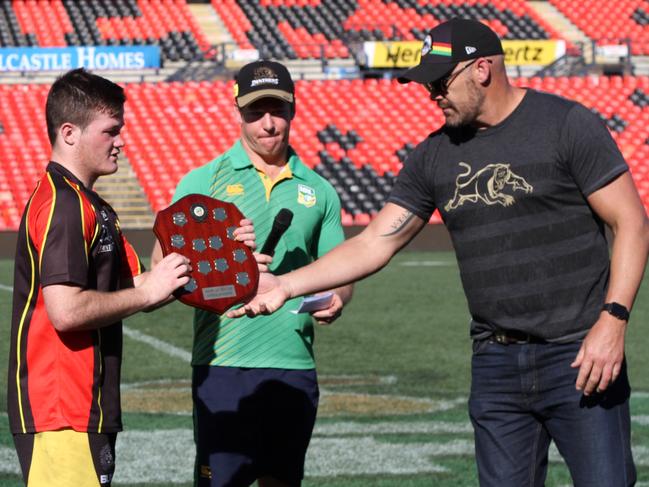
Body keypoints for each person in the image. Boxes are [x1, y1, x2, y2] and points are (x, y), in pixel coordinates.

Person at [229, 19, 649, 486]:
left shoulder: (567, 125)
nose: (432, 93)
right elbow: (375, 242)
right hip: (496, 363)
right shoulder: (433, 156)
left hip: (579, 354)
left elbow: (630, 222)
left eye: (440, 80)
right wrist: (285, 285)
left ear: (482, 69)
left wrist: (613, 321)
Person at [151, 59, 353, 487]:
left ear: (293, 109)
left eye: (276, 110)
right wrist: (225, 261)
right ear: (237, 111)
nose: (267, 124)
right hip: (223, 364)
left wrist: (338, 298)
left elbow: (340, 273)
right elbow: (160, 272)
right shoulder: (201, 182)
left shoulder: (319, 191)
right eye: (254, 112)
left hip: (294, 365)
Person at [6, 68, 200, 487]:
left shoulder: (90, 205)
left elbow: (143, 286)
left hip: (82, 408)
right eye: (110, 131)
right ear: (70, 133)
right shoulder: (64, 206)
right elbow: (67, 310)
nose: (121, 141)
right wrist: (146, 292)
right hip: (61, 411)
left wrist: (221, 255)